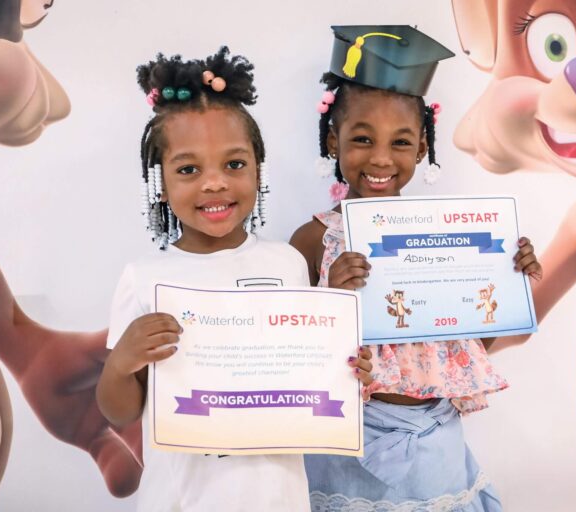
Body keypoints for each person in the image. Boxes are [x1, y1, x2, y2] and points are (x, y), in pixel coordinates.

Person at [96, 48, 372, 512]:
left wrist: (344, 366)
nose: (215, 183)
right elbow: (120, 410)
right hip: (181, 501)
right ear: (160, 184)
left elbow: (306, 371)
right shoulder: (144, 277)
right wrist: (122, 362)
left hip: (278, 498)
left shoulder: (286, 263)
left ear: (258, 170)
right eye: (188, 170)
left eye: (234, 164)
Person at [291, 26, 542, 511]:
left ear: (423, 146)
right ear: (332, 139)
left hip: (434, 444)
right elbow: (293, 355)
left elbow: (469, 347)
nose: (381, 158)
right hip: (347, 446)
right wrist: (334, 299)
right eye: (362, 138)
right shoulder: (314, 240)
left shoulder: (451, 237)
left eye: (401, 142)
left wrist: (509, 281)